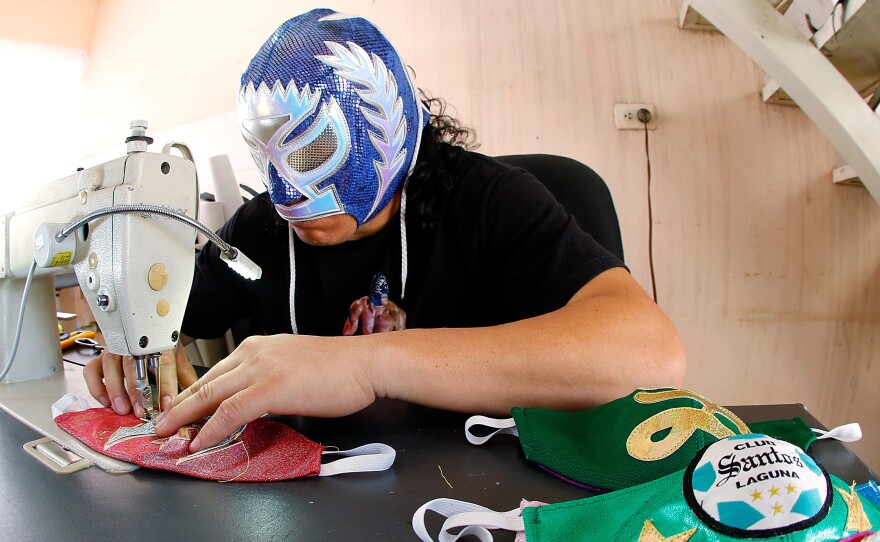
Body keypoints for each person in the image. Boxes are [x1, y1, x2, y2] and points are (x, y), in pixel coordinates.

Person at [84, 9, 686, 453]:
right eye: (267, 159)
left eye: (313, 149)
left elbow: (651, 353)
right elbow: (165, 318)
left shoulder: (487, 201)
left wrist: (367, 365)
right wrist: (131, 343)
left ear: (387, 128)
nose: (286, 192)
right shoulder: (262, 227)